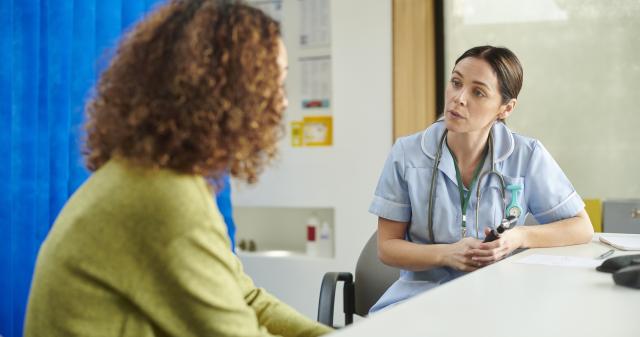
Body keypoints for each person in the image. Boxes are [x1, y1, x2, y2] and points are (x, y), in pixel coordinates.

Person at [24, 1, 332, 336]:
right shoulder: (164, 199)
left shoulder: (154, 177)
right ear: (227, 90)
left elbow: (245, 296)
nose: (282, 100)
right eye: (273, 80)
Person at [368, 46, 594, 313]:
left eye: (478, 92)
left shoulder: (526, 156)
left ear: (505, 108)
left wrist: (518, 237)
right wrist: (446, 254)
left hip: (497, 300)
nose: (459, 98)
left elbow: (581, 227)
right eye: (455, 83)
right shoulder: (407, 154)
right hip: (417, 300)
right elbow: (387, 247)